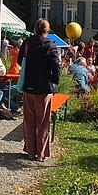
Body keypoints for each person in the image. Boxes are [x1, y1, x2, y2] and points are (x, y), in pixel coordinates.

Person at [18, 19, 60, 162]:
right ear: (47, 30)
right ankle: (41, 153)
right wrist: (55, 80)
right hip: (43, 87)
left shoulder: (27, 43)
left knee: (29, 120)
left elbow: (19, 61)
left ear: (35, 29)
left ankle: (30, 151)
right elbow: (55, 66)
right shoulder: (50, 45)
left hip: (28, 86)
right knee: (42, 122)